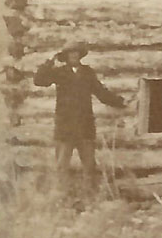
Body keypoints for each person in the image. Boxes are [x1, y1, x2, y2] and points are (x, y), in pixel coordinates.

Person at [33, 42, 126, 200]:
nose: (74, 56)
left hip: (85, 127)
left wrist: (119, 101)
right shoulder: (59, 72)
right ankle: (62, 198)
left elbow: (100, 92)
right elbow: (39, 80)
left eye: (76, 53)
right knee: (62, 166)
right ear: (66, 57)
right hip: (65, 127)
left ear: (80, 55)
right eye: (70, 53)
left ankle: (89, 198)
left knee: (89, 166)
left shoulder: (88, 72)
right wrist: (49, 61)